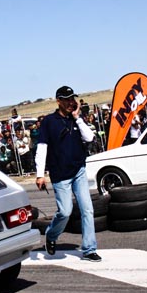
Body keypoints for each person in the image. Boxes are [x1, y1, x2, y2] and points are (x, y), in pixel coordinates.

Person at [35, 85, 101, 262]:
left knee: (88, 209)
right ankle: (51, 235)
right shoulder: (49, 121)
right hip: (60, 174)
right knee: (65, 212)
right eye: (67, 99)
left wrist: (78, 118)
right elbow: (42, 147)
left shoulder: (75, 119)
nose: (71, 102)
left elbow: (89, 138)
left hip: (79, 169)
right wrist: (40, 174)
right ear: (59, 101)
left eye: (73, 98)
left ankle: (89, 249)